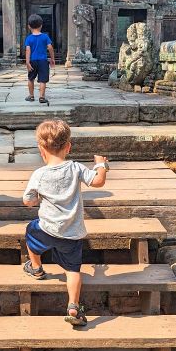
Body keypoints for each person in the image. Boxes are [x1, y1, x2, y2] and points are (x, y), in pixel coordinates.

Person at [22, 119, 109, 327]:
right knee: (73, 270)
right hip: (72, 234)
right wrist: (101, 165)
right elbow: (98, 181)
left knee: (30, 233)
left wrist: (35, 200)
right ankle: (73, 307)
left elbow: (28, 200)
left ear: (41, 149)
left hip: (46, 229)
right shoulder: (76, 168)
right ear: (68, 147)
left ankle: (36, 267)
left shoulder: (39, 174)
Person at [24, 14, 56, 104]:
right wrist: (52, 58)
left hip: (32, 61)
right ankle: (41, 97)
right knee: (43, 79)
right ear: (41, 25)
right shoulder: (45, 37)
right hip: (43, 61)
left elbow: (28, 50)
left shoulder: (29, 38)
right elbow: (50, 47)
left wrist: (27, 62)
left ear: (29, 26)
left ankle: (31, 96)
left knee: (31, 78)